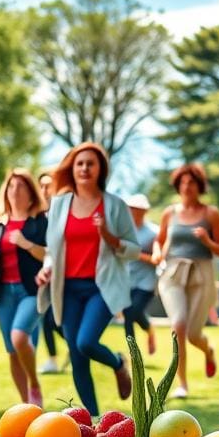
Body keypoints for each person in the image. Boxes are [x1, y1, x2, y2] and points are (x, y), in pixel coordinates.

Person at [36, 142, 137, 417]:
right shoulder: (58, 205)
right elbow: (52, 249)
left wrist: (109, 236)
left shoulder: (114, 206)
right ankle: (94, 421)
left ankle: (117, 363)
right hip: (67, 289)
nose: (84, 168)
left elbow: (134, 249)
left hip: (100, 288)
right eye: (79, 163)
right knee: (78, 358)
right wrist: (47, 267)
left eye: (90, 163)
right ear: (72, 168)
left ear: (100, 169)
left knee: (85, 342)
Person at [154, 162, 219, 398]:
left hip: (201, 273)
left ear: (200, 186)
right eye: (183, 182)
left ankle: (208, 350)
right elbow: (160, 239)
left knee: (194, 334)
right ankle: (182, 383)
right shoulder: (170, 212)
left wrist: (207, 241)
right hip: (174, 273)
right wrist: (157, 252)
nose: (187, 186)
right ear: (178, 186)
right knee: (178, 325)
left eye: (192, 182)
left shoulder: (211, 213)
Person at [0, 168, 48, 406]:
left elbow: (49, 255)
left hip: (31, 290)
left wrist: (25, 243)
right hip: (4, 292)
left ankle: (35, 384)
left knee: (19, 337)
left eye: (21, 186)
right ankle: (27, 407)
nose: (15, 191)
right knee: (12, 351)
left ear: (31, 193)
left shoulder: (40, 222)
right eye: (11, 186)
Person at [35, 169, 65, 375]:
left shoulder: (62, 214)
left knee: (54, 319)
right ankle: (54, 358)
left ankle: (76, 347)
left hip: (63, 275)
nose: (45, 190)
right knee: (46, 317)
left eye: (49, 185)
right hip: (43, 274)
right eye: (42, 186)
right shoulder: (38, 215)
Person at [122, 193, 158, 356]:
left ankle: (149, 329)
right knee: (128, 315)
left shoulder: (153, 232)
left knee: (134, 311)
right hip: (127, 280)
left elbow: (157, 259)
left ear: (145, 211)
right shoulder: (123, 231)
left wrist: (137, 254)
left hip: (147, 281)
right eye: (132, 209)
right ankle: (133, 353)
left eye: (138, 210)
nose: (134, 213)